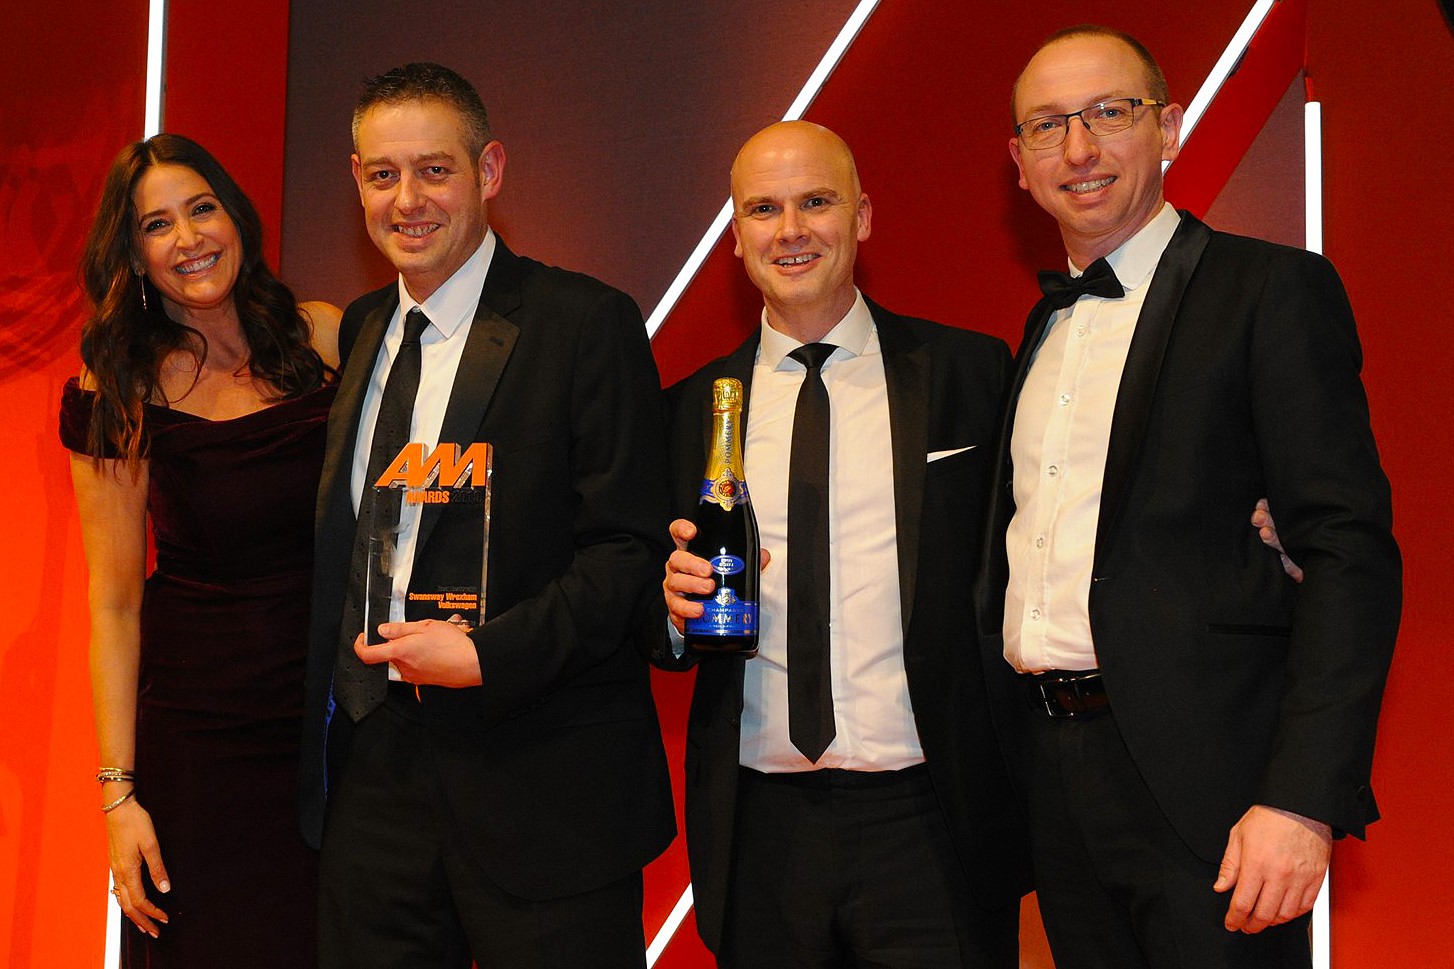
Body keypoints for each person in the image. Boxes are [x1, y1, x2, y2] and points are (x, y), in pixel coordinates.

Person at [979, 25, 1401, 969]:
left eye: (1109, 114)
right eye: (1048, 126)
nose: (1078, 150)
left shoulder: (1271, 290)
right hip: (1054, 780)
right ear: (1018, 162)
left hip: (1214, 789)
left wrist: (1302, 798)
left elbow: (1349, 552)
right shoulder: (1037, 333)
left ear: (1168, 129)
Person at [297, 63, 674, 969]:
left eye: (435, 170)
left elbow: (627, 551)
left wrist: (482, 656)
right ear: (356, 181)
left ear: (490, 171)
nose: (407, 200)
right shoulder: (358, 332)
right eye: (383, 175)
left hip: (543, 787)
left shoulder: (586, 322)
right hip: (376, 787)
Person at [657, 121, 1028, 968]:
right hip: (758, 830)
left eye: (816, 202)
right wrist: (670, 608)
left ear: (862, 217)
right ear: (738, 235)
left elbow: (1056, 527)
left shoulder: (971, 373)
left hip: (934, 819)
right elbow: (642, 606)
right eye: (764, 209)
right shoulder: (685, 411)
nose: (791, 230)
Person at [61, 134, 340, 967]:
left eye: (202, 208)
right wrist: (119, 799)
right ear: (134, 255)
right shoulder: (116, 389)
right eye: (157, 224)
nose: (189, 238)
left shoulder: (324, 336)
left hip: (337, 728)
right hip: (203, 740)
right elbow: (113, 603)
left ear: (236, 216)